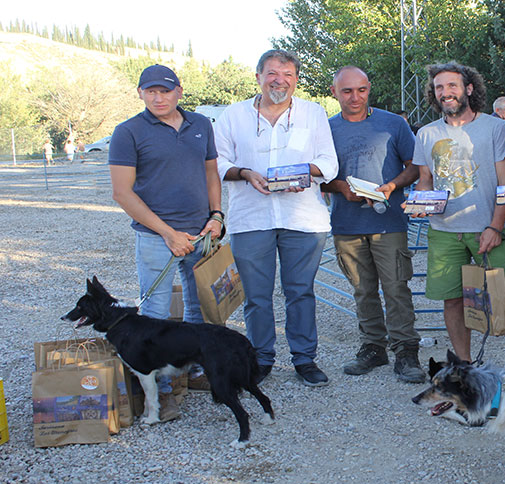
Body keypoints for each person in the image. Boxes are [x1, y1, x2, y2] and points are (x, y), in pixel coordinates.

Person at [214, 49, 339, 387]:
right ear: (258, 77)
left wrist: (304, 172)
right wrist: (245, 173)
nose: (279, 81)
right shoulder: (233, 116)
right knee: (256, 295)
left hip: (303, 219)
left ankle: (304, 359)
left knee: (300, 291)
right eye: (272, 73)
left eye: (287, 75)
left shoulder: (313, 114)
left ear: (296, 80)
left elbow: (330, 163)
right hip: (251, 217)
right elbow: (218, 162)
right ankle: (260, 358)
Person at [108, 64, 223, 421]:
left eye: (165, 90)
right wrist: (167, 233)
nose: (158, 97)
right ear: (140, 93)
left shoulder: (201, 125)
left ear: (179, 91)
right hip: (157, 238)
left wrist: (217, 215)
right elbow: (122, 193)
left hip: (202, 233)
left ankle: (196, 371)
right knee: (153, 319)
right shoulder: (128, 132)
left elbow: (210, 173)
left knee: (201, 308)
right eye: (150, 91)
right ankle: (163, 393)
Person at [411, 61, 505, 367]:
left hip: (488, 228)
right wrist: (421, 203)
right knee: (453, 300)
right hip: (444, 231)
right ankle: (463, 366)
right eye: (439, 87)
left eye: (452, 85)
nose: (445, 92)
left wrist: (495, 227)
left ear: (469, 89)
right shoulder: (426, 134)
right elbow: (426, 179)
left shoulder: (496, 128)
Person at [322, 66, 425, 383]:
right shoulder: (324, 130)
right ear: (334, 92)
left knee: (396, 288)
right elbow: (317, 177)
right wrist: (340, 187)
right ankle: (373, 348)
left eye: (361, 90)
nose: (355, 97)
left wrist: (393, 185)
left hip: (388, 222)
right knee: (362, 290)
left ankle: (406, 351)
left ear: (370, 89)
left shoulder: (393, 124)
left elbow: (414, 167)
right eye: (347, 91)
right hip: (346, 223)